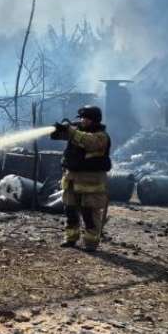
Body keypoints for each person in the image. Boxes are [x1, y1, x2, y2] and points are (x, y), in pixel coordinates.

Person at [52, 105, 112, 252]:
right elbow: (58, 136)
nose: (82, 120)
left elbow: (89, 142)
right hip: (72, 178)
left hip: (90, 181)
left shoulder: (101, 136)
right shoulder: (77, 132)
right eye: (81, 118)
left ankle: (91, 243)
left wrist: (71, 130)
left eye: (86, 118)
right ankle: (71, 238)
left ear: (94, 120)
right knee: (70, 210)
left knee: (89, 213)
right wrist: (58, 129)